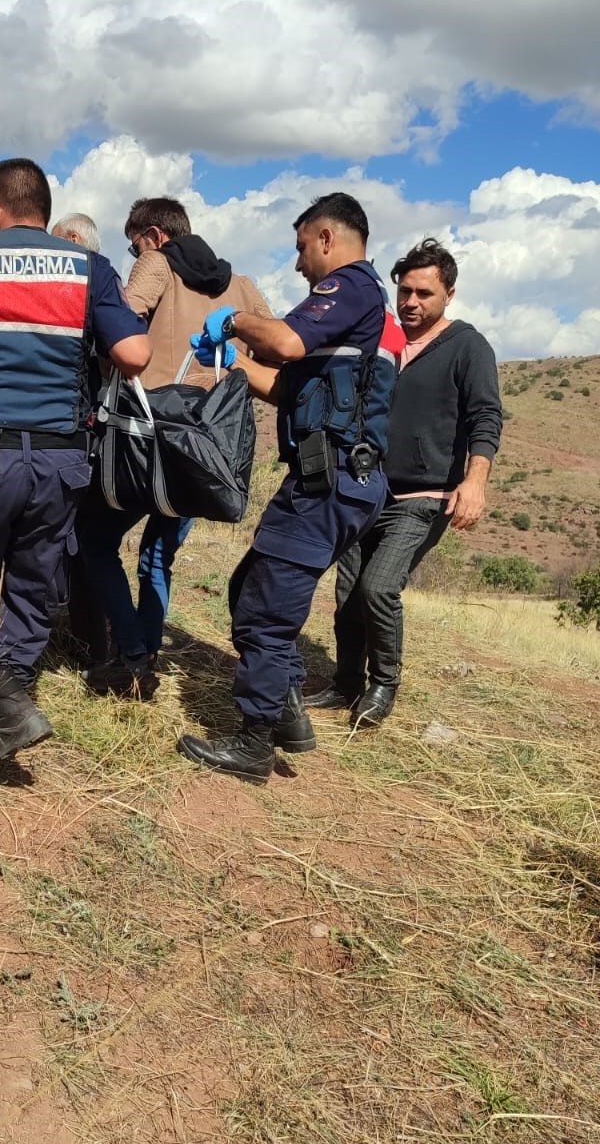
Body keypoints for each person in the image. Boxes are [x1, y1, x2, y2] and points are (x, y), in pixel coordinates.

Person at [0, 157, 150, 770]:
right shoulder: (89, 269)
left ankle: (5, 698)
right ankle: (5, 709)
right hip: (62, 464)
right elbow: (136, 352)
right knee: (31, 586)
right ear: (43, 210)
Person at [178, 191, 405, 781]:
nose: (301, 264)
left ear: (327, 237)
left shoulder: (349, 286)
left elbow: (283, 342)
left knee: (264, 612)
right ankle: (288, 710)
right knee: (249, 584)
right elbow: (284, 385)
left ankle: (254, 742)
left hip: (327, 484)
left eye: (303, 248)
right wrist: (229, 361)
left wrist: (232, 318)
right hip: (326, 479)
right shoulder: (350, 313)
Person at [78, 196, 275, 695]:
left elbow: (117, 322)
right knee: (157, 558)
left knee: (94, 540)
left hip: (148, 438)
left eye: (134, 244)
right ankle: (142, 659)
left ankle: (132, 652)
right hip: (206, 448)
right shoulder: (242, 285)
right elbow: (276, 344)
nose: (133, 253)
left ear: (156, 236)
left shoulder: (157, 264)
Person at [310, 238, 502, 724]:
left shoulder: (468, 347)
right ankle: (345, 683)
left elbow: (485, 417)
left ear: (449, 295)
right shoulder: (384, 337)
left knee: (378, 588)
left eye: (424, 293)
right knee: (348, 590)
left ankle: (384, 684)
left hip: (424, 495)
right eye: (405, 291)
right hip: (366, 485)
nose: (412, 302)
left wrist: (474, 481)